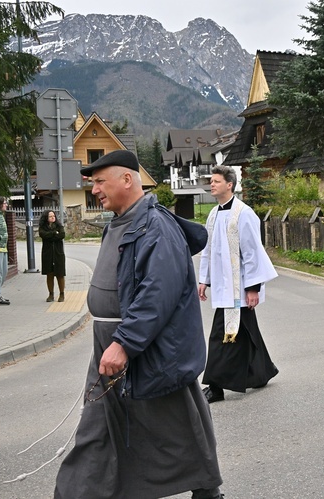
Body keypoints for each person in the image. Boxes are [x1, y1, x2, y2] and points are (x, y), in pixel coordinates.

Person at [54, 150, 223, 498]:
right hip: (113, 343)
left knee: (178, 425)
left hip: (145, 347)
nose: (95, 189)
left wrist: (125, 343)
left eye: (101, 181)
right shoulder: (120, 221)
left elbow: (156, 294)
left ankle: (207, 491)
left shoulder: (156, 227)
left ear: (127, 179)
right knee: (99, 424)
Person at [198, 165, 279, 403]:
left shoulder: (244, 213)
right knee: (246, 331)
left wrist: (253, 287)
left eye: (216, 181)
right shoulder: (213, 214)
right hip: (223, 288)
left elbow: (253, 252)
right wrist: (204, 279)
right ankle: (262, 371)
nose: (211, 184)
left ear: (229, 184)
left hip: (239, 288)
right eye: (210, 181)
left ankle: (215, 386)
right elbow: (208, 250)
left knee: (221, 336)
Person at [39, 210, 66, 302]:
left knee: (60, 274)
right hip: (47, 253)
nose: (52, 217)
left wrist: (51, 236)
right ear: (46, 218)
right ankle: (51, 294)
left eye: (53, 216)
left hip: (58, 253)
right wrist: (54, 233)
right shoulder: (43, 227)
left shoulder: (59, 225)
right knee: (49, 274)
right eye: (50, 216)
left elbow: (62, 235)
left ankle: (62, 294)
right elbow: (43, 235)